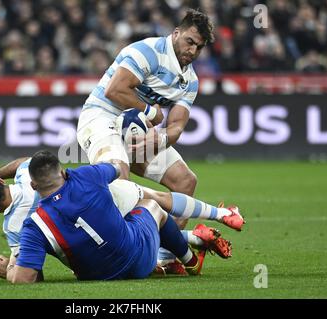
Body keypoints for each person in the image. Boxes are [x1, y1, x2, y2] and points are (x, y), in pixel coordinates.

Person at [76, 8, 243, 269]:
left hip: (137, 131)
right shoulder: (148, 51)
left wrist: (160, 140)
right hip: (100, 119)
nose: (192, 51)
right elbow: (115, 90)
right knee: (120, 181)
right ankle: (126, 252)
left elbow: (176, 126)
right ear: (176, 33)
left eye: (199, 47)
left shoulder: (190, 82)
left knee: (185, 181)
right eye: (189, 41)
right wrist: (152, 111)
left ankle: (164, 256)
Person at [0, 156, 236, 278]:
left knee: (89, 243)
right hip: (102, 200)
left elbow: (30, 272)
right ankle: (212, 223)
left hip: (88, 259)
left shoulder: (21, 225)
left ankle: (179, 250)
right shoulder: (71, 175)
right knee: (157, 203)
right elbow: (24, 163)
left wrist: (7, 268)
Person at [3, 150, 208, 283]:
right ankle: (190, 262)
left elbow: (25, 278)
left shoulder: (33, 225)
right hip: (139, 261)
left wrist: (8, 270)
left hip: (96, 277)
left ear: (33, 186)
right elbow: (117, 168)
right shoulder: (86, 175)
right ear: (63, 173)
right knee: (151, 205)